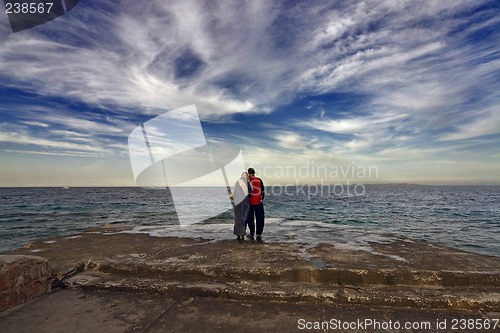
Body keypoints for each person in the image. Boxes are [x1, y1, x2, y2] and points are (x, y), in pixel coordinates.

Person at [245, 167, 265, 241]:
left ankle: (252, 233)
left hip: (250, 202)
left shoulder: (247, 180)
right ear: (254, 172)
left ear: (248, 172)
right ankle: (259, 233)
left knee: (250, 218)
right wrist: (261, 199)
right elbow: (263, 191)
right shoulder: (259, 179)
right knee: (260, 218)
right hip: (259, 201)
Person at [232, 172, 252, 241]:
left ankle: (238, 234)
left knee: (237, 217)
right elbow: (250, 192)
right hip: (245, 201)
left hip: (237, 201)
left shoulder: (237, 182)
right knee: (243, 217)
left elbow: (233, 192)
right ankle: (241, 234)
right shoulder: (247, 183)